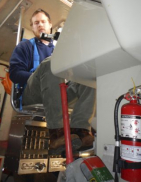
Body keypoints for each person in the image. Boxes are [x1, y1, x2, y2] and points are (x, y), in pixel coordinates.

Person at [9, 9, 95, 154]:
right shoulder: (25, 47)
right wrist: (41, 74)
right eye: (36, 23)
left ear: (50, 26)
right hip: (33, 93)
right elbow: (15, 73)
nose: (40, 25)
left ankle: (80, 130)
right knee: (50, 64)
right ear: (32, 27)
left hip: (57, 91)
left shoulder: (58, 51)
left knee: (88, 76)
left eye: (43, 22)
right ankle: (56, 134)